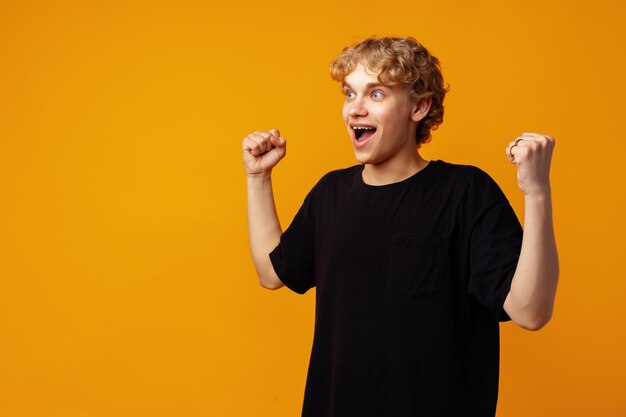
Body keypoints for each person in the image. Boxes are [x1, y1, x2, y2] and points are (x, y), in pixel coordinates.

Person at [242, 36, 558, 417]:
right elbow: (273, 272)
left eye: (376, 95)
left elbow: (530, 312)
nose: (355, 109)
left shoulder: (465, 193)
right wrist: (257, 178)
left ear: (419, 106)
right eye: (349, 93)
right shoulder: (331, 193)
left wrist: (536, 192)